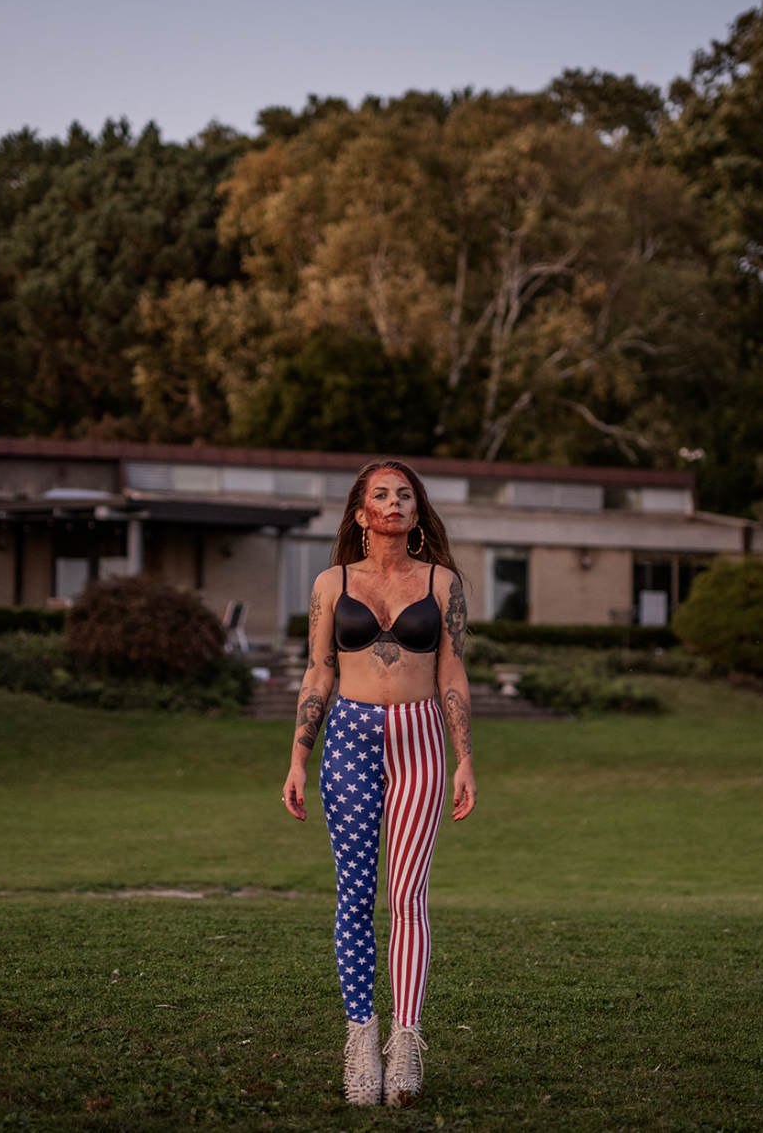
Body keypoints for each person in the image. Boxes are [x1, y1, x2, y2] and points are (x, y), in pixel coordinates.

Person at [282, 459, 475, 1108]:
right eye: (381, 495)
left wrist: (465, 758)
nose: (394, 503)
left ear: (417, 511)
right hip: (349, 742)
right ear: (361, 513)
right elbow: (318, 674)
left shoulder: (443, 583)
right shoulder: (331, 583)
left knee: (407, 893)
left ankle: (406, 1042)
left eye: (405, 495)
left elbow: (452, 674)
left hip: (421, 740)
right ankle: (360, 1038)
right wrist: (297, 760)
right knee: (355, 894)